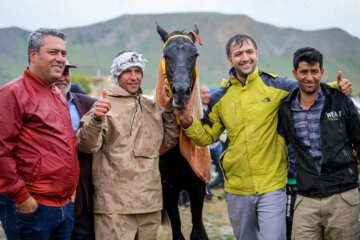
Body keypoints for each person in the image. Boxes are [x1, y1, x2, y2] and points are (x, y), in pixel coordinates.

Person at [174, 34, 352, 240]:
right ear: (230, 60)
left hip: (272, 186)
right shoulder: (220, 97)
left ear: (256, 55)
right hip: (237, 188)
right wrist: (188, 122)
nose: (245, 57)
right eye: (238, 53)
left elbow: (309, 87)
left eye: (249, 52)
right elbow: (206, 136)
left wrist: (339, 88)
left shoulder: (278, 86)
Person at [76, 51, 179, 239]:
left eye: (138, 71)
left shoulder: (152, 107)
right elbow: (86, 146)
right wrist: (97, 119)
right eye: (127, 71)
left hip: (149, 204)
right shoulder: (103, 106)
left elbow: (169, 141)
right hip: (115, 208)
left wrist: (170, 110)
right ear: (117, 75)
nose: (134, 77)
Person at [0, 28, 79, 239]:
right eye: (53, 52)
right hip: (32, 207)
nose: (60, 59)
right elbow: (2, 151)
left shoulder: (57, 93)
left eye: (63, 53)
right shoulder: (13, 93)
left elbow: (67, 144)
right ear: (33, 55)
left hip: (63, 205)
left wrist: (71, 190)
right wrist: (21, 196)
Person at [278, 47, 360, 240]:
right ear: (294, 73)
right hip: (306, 197)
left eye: (314, 71)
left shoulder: (339, 100)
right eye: (304, 72)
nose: (309, 77)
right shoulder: (286, 107)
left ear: (322, 72)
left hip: (343, 196)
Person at [55, 60, 97, 240]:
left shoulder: (89, 104)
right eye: (58, 72)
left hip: (83, 194)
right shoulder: (32, 103)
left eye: (66, 73)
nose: (62, 78)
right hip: (48, 193)